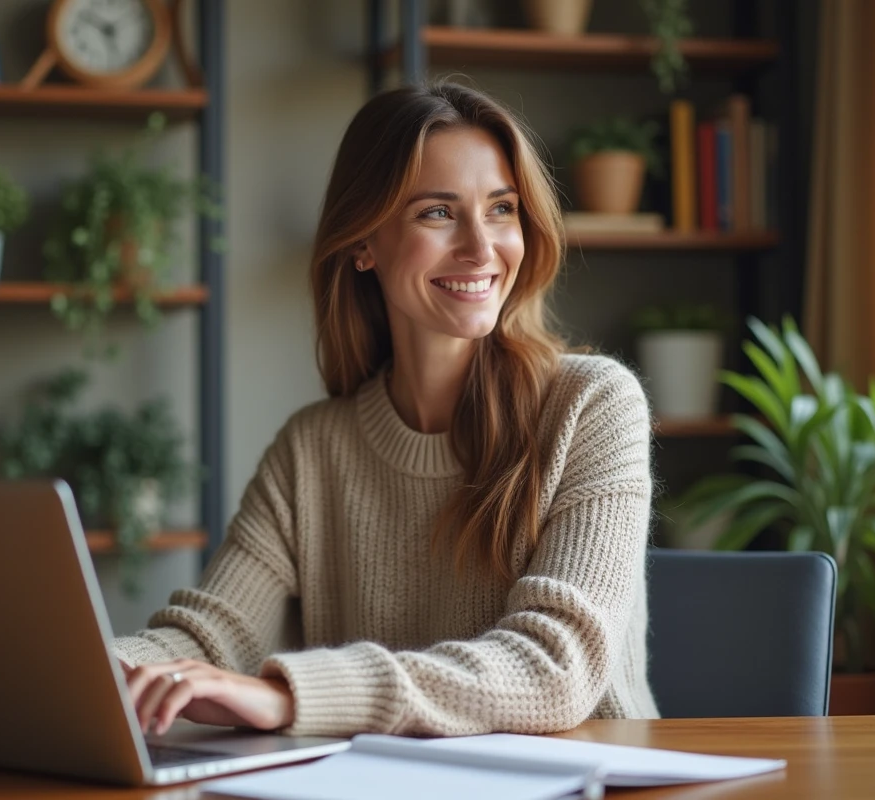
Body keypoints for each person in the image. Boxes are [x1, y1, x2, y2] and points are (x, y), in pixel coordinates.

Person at [115, 81, 659, 739]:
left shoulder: (593, 405)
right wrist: (101, 668)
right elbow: (210, 633)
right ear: (363, 243)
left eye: (501, 209)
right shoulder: (312, 449)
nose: (481, 249)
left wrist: (292, 697)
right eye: (437, 213)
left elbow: (555, 667)